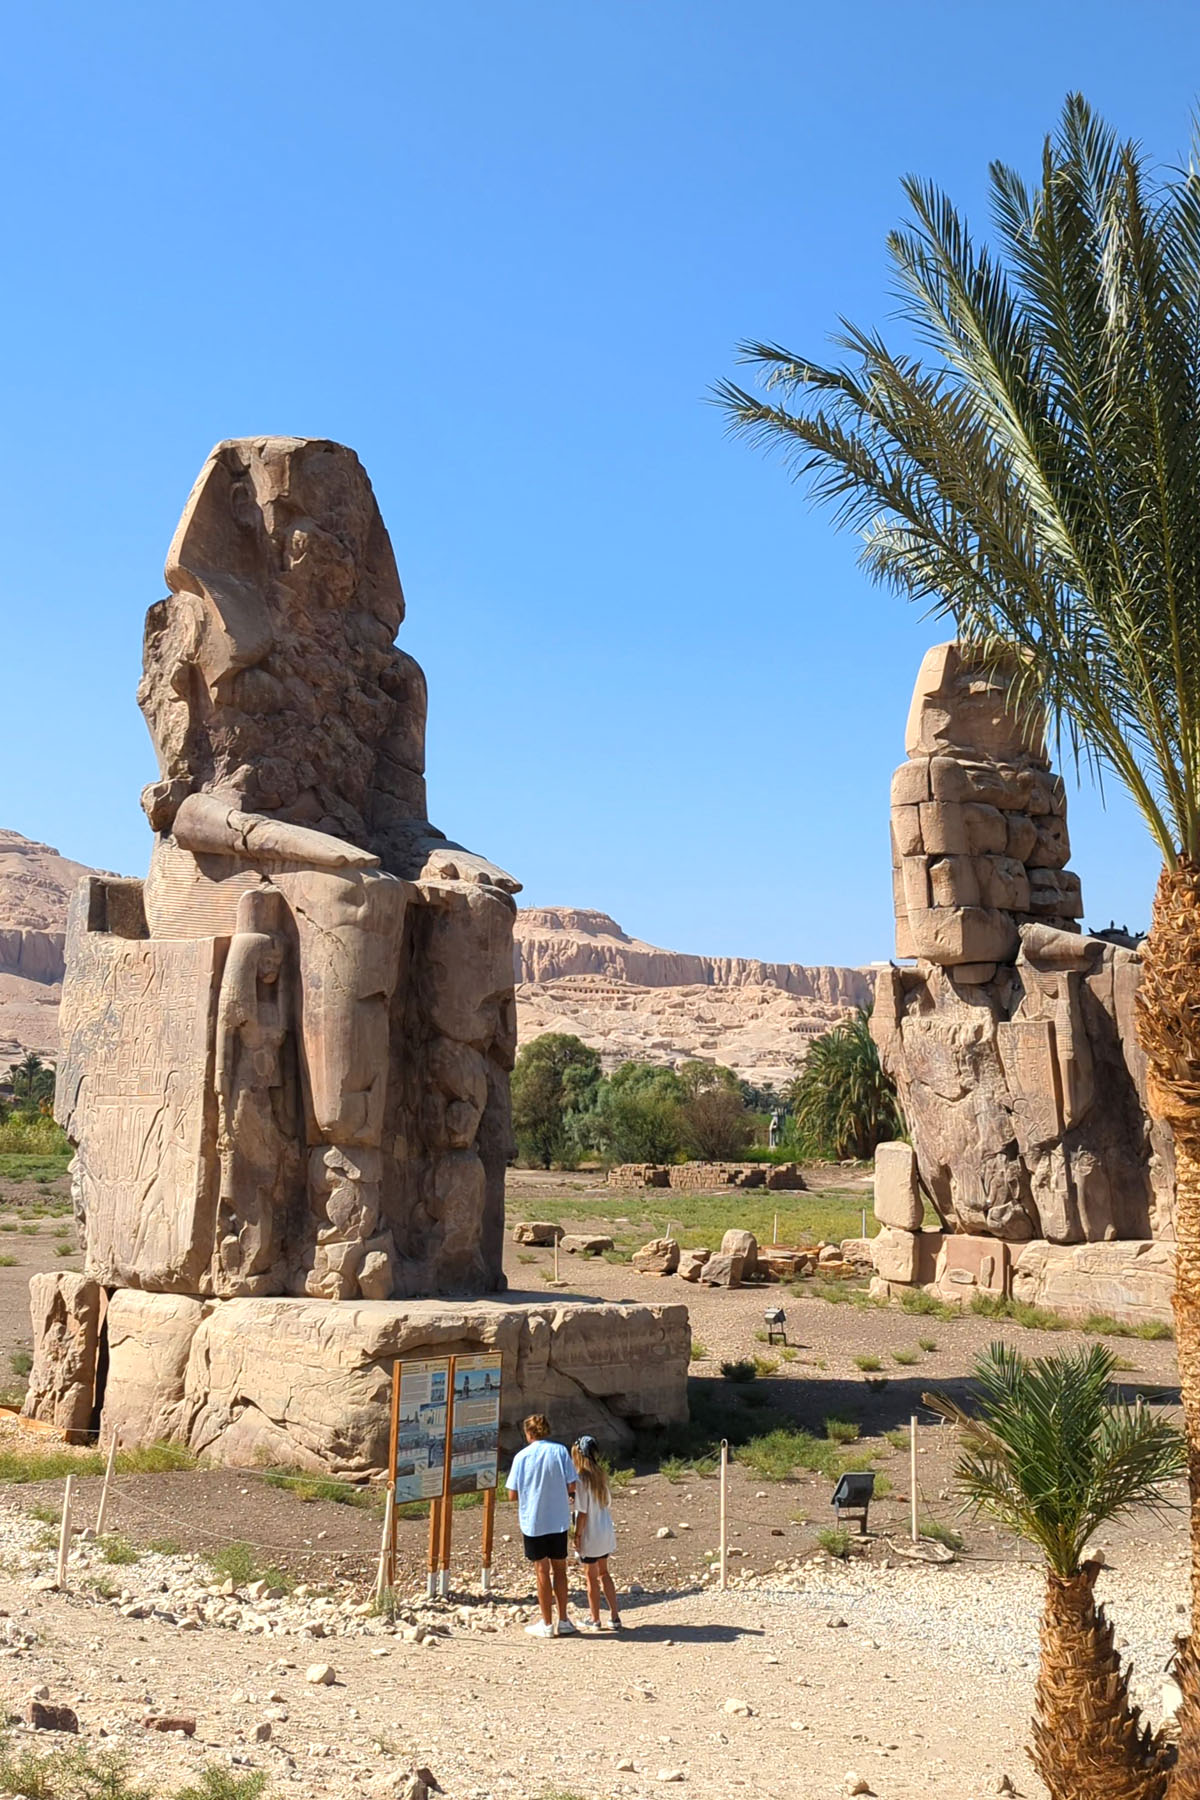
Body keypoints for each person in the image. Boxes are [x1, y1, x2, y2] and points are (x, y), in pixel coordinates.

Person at [505, 1413, 577, 1637]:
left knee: (541, 1571)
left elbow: (511, 1494)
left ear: (528, 1433)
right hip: (558, 1519)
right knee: (560, 1569)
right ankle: (563, 1619)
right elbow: (572, 1483)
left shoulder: (521, 1457)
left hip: (534, 1521)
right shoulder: (560, 1451)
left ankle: (546, 1623)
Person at [571, 1434, 622, 1631]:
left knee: (590, 1577)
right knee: (604, 1573)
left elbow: (582, 1513)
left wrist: (577, 1536)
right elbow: (606, 1502)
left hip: (590, 1534)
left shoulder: (581, 1479)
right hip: (605, 1530)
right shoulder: (601, 1475)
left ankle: (595, 1618)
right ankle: (615, 1616)